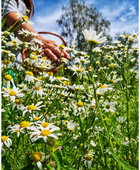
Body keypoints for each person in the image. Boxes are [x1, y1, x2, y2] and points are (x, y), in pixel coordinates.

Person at [2, 0, 70, 64]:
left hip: (14, 65)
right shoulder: (6, 2)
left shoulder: (23, 6)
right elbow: (16, 22)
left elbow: (20, 38)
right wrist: (40, 41)